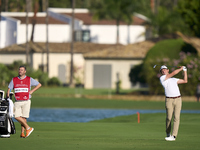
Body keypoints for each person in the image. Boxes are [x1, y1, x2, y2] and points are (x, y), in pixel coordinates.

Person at [7, 66, 42, 138]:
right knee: (16, 116)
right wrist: (8, 96)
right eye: (19, 70)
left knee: (24, 118)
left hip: (26, 100)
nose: (20, 71)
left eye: (22, 70)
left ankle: (22, 133)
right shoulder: (14, 79)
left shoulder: (29, 79)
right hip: (17, 101)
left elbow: (39, 84)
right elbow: (9, 88)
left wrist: (32, 91)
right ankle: (28, 128)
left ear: (25, 71)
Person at [159, 65, 187, 141]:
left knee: (176, 118)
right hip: (169, 100)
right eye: (162, 70)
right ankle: (168, 133)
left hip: (178, 99)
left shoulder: (174, 79)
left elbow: (185, 81)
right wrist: (181, 68)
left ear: (168, 70)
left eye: (165, 69)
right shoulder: (162, 78)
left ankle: (173, 136)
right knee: (169, 118)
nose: (163, 71)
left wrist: (185, 71)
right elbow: (174, 73)